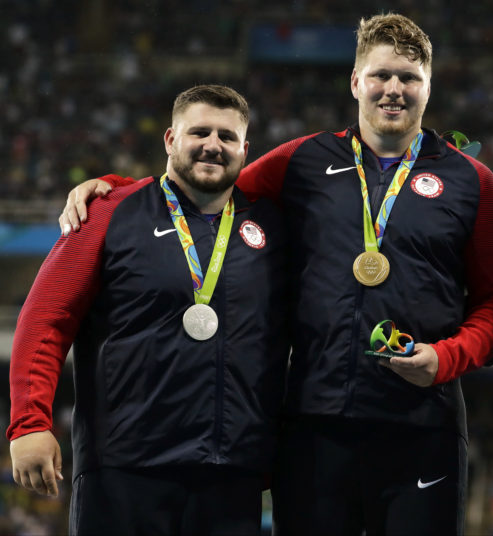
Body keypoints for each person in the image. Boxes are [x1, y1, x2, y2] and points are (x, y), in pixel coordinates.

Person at [57, 13, 493, 536]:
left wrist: (447, 358)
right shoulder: (302, 160)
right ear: (355, 82)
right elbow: (200, 187)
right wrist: (117, 191)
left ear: (429, 87)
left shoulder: (474, 182)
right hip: (313, 426)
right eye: (381, 75)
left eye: (409, 78)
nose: (394, 89)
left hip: (422, 424)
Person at [9, 85, 288, 535]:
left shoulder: (270, 226)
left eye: (227, 136)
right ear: (170, 140)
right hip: (125, 470)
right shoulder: (105, 213)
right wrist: (29, 423)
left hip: (231, 473)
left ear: (245, 150)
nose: (213, 145)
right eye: (199, 132)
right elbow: (45, 319)